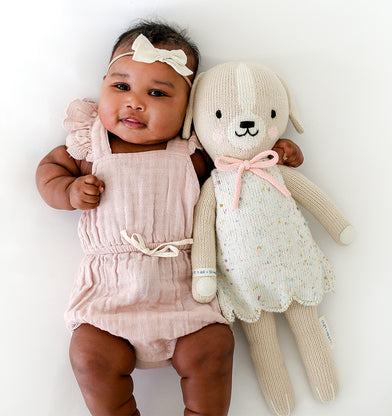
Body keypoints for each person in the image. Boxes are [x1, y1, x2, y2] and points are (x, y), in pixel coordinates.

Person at [36, 20, 304, 416]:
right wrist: (68, 191)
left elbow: (240, 164)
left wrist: (275, 151)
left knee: (214, 347)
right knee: (89, 355)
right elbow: (49, 170)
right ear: (103, 83)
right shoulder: (88, 146)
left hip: (184, 287)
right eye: (121, 86)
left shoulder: (193, 152)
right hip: (109, 294)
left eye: (157, 92)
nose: (134, 102)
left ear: (188, 108)